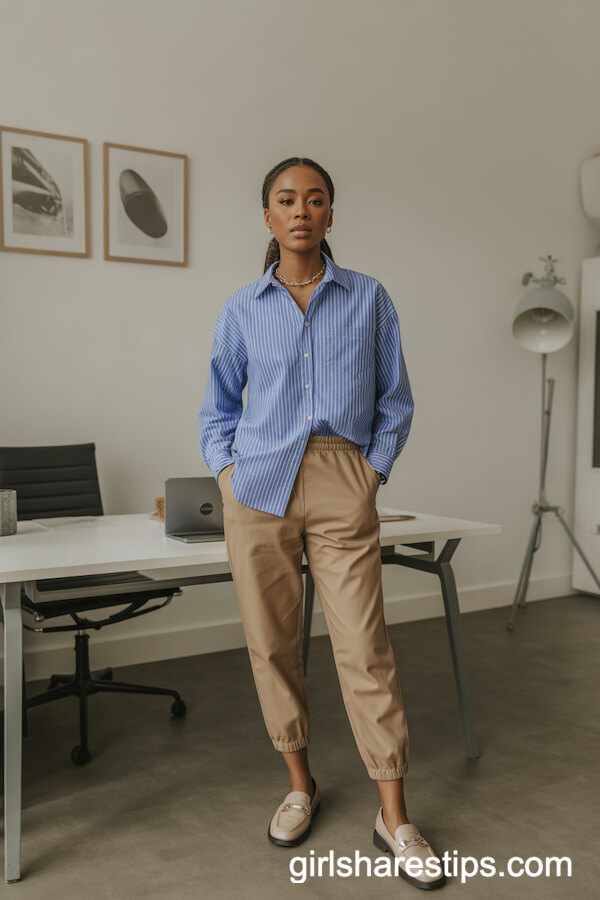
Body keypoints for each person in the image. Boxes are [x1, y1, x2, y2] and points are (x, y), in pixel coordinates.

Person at [199, 157, 446, 890]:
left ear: (331, 215)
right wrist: (227, 475)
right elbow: (216, 408)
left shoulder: (369, 298)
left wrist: (370, 474)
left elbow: (395, 401)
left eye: (314, 199)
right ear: (268, 218)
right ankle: (300, 784)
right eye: (286, 199)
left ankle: (393, 815)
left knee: (364, 648)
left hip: (343, 476)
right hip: (259, 484)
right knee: (271, 644)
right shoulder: (242, 308)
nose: (300, 210)